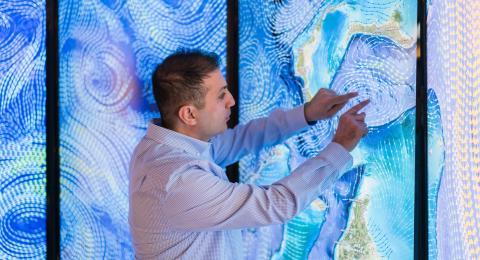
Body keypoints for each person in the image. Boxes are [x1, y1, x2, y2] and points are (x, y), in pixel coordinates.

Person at [128, 50, 369, 259]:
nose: (231, 101)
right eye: (221, 95)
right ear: (189, 115)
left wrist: (307, 113)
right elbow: (276, 204)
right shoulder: (180, 182)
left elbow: (241, 140)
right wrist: (339, 147)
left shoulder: (162, 147)